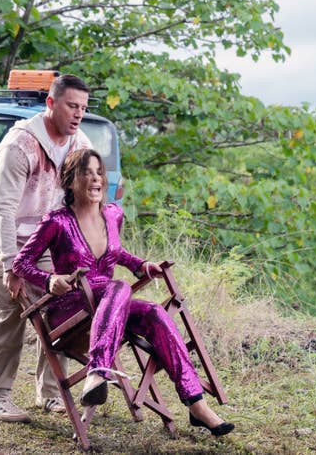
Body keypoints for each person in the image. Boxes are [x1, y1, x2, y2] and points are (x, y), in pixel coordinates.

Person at [12, 149, 235, 437]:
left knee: (154, 312)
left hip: (109, 309)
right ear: (69, 181)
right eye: (86, 172)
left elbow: (116, 252)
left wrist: (141, 265)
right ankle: (99, 369)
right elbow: (21, 263)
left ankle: (197, 406)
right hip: (71, 311)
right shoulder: (56, 221)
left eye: (99, 172)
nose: (95, 178)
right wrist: (49, 279)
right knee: (118, 287)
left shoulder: (113, 214)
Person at [0, 74, 93, 423]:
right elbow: (2, 210)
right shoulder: (20, 145)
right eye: (72, 105)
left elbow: (79, 201)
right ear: (51, 104)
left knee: (62, 299)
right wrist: (12, 267)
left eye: (83, 107)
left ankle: (51, 393)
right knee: (11, 304)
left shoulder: (78, 143)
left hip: (38, 235)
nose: (78, 113)